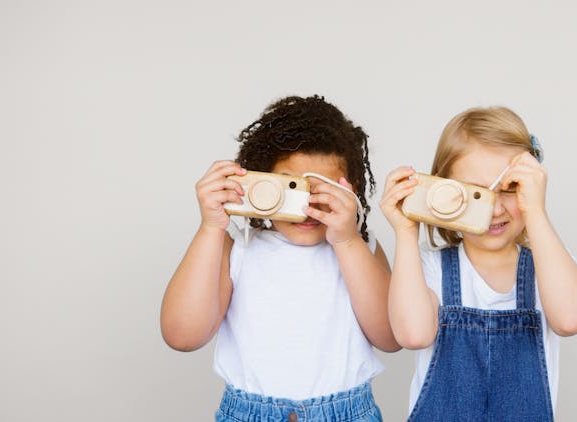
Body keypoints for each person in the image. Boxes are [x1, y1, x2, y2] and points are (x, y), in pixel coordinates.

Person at [161, 95, 399, 422]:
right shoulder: (237, 250)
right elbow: (182, 336)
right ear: (259, 182)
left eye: (324, 191)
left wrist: (347, 240)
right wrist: (211, 227)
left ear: (352, 190)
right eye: (291, 188)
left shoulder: (361, 247)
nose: (307, 207)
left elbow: (391, 337)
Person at [380, 106, 577, 421]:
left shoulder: (549, 267)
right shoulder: (428, 268)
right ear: (443, 192)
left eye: (511, 189)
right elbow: (413, 335)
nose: (494, 209)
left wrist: (535, 211)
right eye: (475, 194)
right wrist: (406, 232)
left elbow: (571, 319)